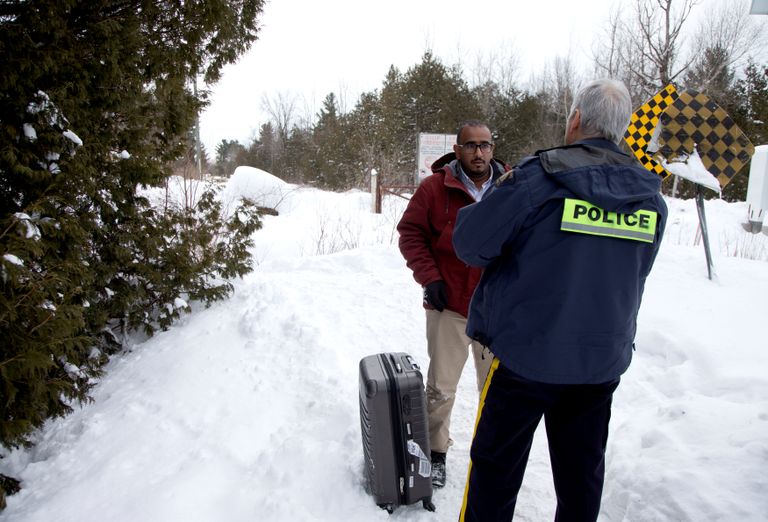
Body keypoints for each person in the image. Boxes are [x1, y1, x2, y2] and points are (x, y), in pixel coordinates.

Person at [452, 79, 668, 521]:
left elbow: (471, 245)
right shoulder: (651, 196)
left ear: (575, 120)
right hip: (599, 363)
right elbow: (637, 273)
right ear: (622, 128)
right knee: (581, 478)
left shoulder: (539, 178)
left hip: (526, 359)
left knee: (495, 472)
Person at [397, 120, 511, 488]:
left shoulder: (512, 188)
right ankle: (436, 453)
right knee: (441, 388)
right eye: (471, 145)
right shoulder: (435, 188)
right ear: (457, 149)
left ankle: (490, 454)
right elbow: (410, 233)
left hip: (496, 311)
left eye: (485, 145)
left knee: (495, 390)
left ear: (493, 148)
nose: (479, 152)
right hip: (450, 306)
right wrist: (430, 277)